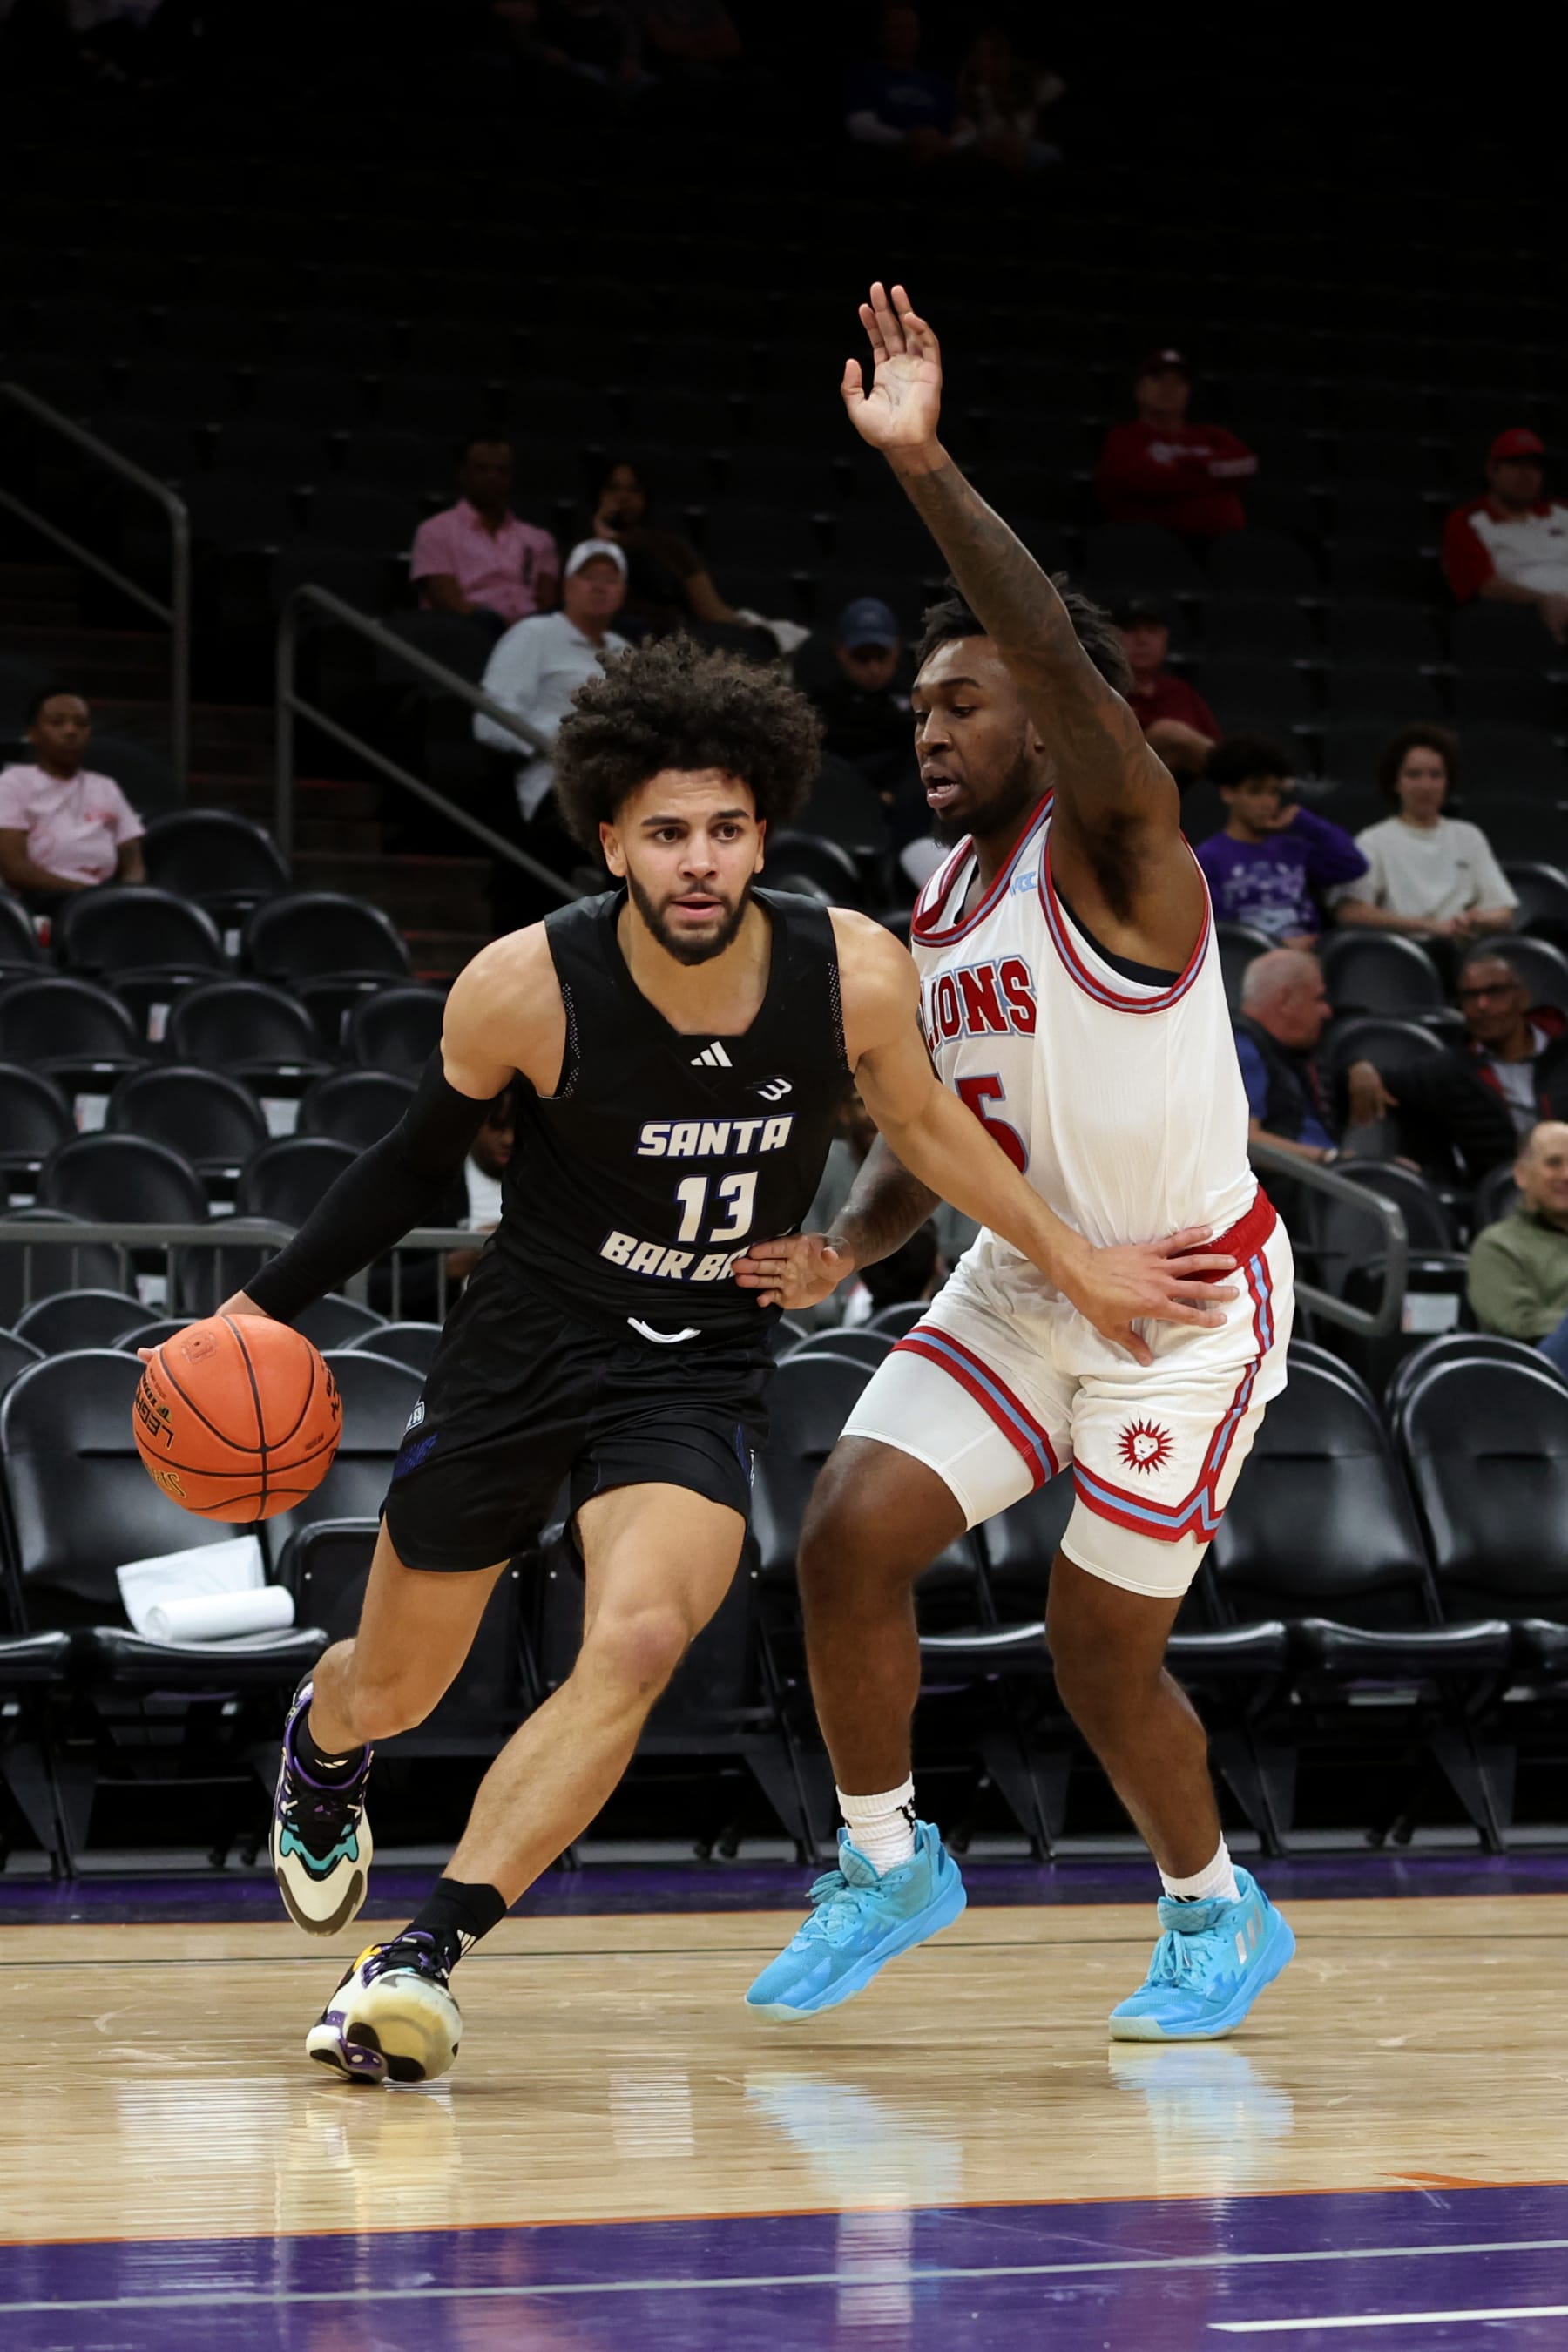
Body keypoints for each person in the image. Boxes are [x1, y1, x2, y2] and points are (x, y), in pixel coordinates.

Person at [226, 636, 1227, 2084]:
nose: (700, 859)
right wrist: (258, 1309)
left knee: (637, 1639)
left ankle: (420, 1961)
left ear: (764, 828)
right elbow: (402, 1170)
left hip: (690, 1364)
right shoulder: (523, 986)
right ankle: (325, 1751)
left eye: (727, 828)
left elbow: (938, 1136)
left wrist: (1071, 1257)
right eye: (667, 832)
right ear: (611, 840)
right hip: (525, 1345)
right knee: (395, 1687)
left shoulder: (852, 972)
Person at [740, 284, 1297, 2043]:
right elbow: (937, 1133)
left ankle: (1217, 1912)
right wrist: (846, 1246)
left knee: (1093, 1654)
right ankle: (890, 1857)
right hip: (1030, 1271)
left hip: (1184, 1297)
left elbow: (1050, 643)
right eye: (916, 706)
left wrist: (919, 463)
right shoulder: (938, 898)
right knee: (842, 1541)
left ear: (1052, 725)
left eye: (967, 701)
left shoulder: (1124, 851)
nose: (932, 724)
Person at [1234, 948, 1515, 1183]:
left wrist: (1357, 1066)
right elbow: (1246, 1143)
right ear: (1285, 1001)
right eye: (1318, 998)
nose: (1327, 1010)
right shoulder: (1241, 1045)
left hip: (1320, 1183)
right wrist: (1331, 1160)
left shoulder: (1294, 1047)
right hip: (1290, 1191)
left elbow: (1343, 1025)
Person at [1333, 725, 1517, 943]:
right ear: (1396, 782)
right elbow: (1351, 912)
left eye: (1436, 775)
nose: (1426, 785)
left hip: (1463, 949)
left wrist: (1476, 920)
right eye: (1414, 775)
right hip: (1403, 950)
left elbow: (1503, 912)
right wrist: (1429, 926)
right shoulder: (1373, 840)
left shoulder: (1468, 836)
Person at [1196, 737, 1365, 946]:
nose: (1268, 802)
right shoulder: (1208, 857)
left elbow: (1352, 864)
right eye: (1255, 791)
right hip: (1245, 963)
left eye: (1274, 792)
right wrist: (1277, 946)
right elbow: (1217, 930)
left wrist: (1305, 821)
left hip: (1308, 956)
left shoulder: (1294, 848)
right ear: (1228, 793)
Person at [0, 688, 145, 909]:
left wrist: (127, 898)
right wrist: (85, 894)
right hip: (39, 903)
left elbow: (134, 864)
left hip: (104, 904)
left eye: (81, 723)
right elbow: (14, 869)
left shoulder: (106, 787)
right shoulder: (12, 783)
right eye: (57, 723)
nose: (70, 731)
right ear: (33, 733)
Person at [1094, 351, 1257, 539]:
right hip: (1152, 547)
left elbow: (1246, 463)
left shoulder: (1211, 435)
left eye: (1178, 381)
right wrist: (1211, 476)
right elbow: (1146, 482)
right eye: (1158, 379)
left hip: (1222, 546)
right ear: (1139, 388)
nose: (1168, 388)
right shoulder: (1124, 438)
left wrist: (1182, 468)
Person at [409, 436, 559, 632]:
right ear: (463, 474)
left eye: (501, 471)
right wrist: (502, 627)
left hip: (531, 635)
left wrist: (524, 631)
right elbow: (445, 600)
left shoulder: (539, 539)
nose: (492, 477)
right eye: (482, 469)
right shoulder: (435, 531)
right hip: (467, 631)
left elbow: (546, 602)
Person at [1441, 429, 1568, 644]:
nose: (1526, 475)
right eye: (1516, 464)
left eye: (1534, 467)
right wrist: (1542, 599)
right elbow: (1483, 586)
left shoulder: (1561, 512)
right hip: (1526, 616)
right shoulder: (1468, 521)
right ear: (1492, 470)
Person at [590, 459, 743, 634]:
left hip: (666, 644)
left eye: (634, 489)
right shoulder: (584, 548)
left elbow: (711, 609)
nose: (623, 497)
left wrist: (750, 625)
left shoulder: (670, 546)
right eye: (613, 488)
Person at [1467, 1121, 1568, 1371]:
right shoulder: (1498, 1245)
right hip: (1537, 1377)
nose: (1567, 1175)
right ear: (1522, 1174)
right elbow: (1517, 1323)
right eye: (1554, 1163)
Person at [1115, 596, 1220, 780]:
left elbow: (1215, 746)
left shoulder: (1180, 692)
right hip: (1119, 788)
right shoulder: (1102, 690)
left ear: (1165, 637)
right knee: (1166, 732)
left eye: (1151, 630)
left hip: (1187, 796)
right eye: (1131, 630)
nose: (1142, 640)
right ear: (1113, 636)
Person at [845, 4, 963, 164]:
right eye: (896, 29)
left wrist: (948, 144)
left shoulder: (938, 85)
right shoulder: (865, 75)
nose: (904, 36)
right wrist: (906, 138)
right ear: (882, 35)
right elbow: (858, 125)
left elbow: (963, 129)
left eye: (910, 29)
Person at [954, 24, 1064, 172]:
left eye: (991, 55)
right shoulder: (973, 93)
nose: (983, 61)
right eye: (979, 54)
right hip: (989, 150)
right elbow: (974, 133)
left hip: (1026, 146)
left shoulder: (1021, 85)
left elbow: (1056, 87)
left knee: (1047, 153)